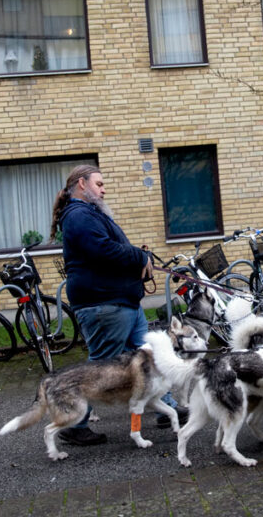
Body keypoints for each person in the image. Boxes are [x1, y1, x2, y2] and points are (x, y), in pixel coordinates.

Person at [49, 164, 186, 446]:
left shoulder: (90, 213)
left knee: (150, 354)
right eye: (99, 184)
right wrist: (139, 257)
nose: (104, 189)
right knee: (100, 368)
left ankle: (167, 408)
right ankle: (75, 424)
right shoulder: (77, 216)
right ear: (82, 185)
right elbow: (102, 251)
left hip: (123, 302)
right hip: (105, 305)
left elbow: (109, 250)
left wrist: (140, 259)